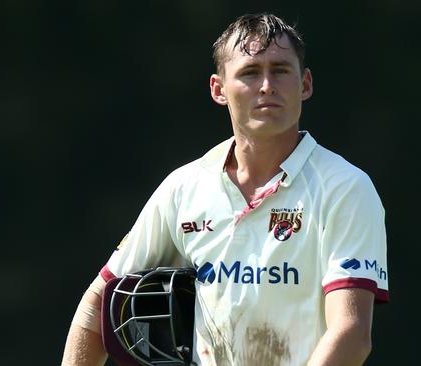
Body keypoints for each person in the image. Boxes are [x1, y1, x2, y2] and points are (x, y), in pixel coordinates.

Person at [62, 13, 389, 366]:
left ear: (305, 84)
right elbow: (98, 305)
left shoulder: (345, 187)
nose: (267, 85)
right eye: (250, 73)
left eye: (280, 70)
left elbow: (352, 334)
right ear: (219, 89)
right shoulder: (185, 188)